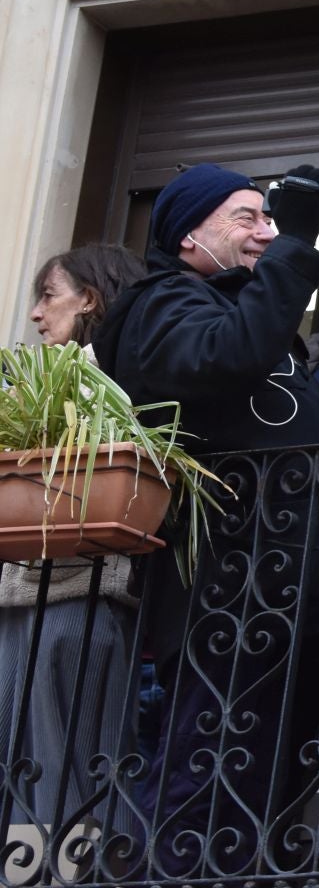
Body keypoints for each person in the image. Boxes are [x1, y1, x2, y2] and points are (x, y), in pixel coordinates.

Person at [90, 163, 319, 880]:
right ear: (187, 235)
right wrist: (297, 242)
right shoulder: (159, 304)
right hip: (227, 594)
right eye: (247, 217)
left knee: (267, 802)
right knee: (204, 792)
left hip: (288, 593)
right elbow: (226, 355)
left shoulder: (244, 309)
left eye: (271, 218)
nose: (265, 231)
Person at [0, 245, 146, 863]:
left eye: (48, 296)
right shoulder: (42, 381)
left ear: (88, 299)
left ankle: (73, 871)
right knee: (26, 761)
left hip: (76, 597)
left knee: (68, 763)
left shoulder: (109, 381)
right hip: (24, 596)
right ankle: (32, 867)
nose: (35, 314)